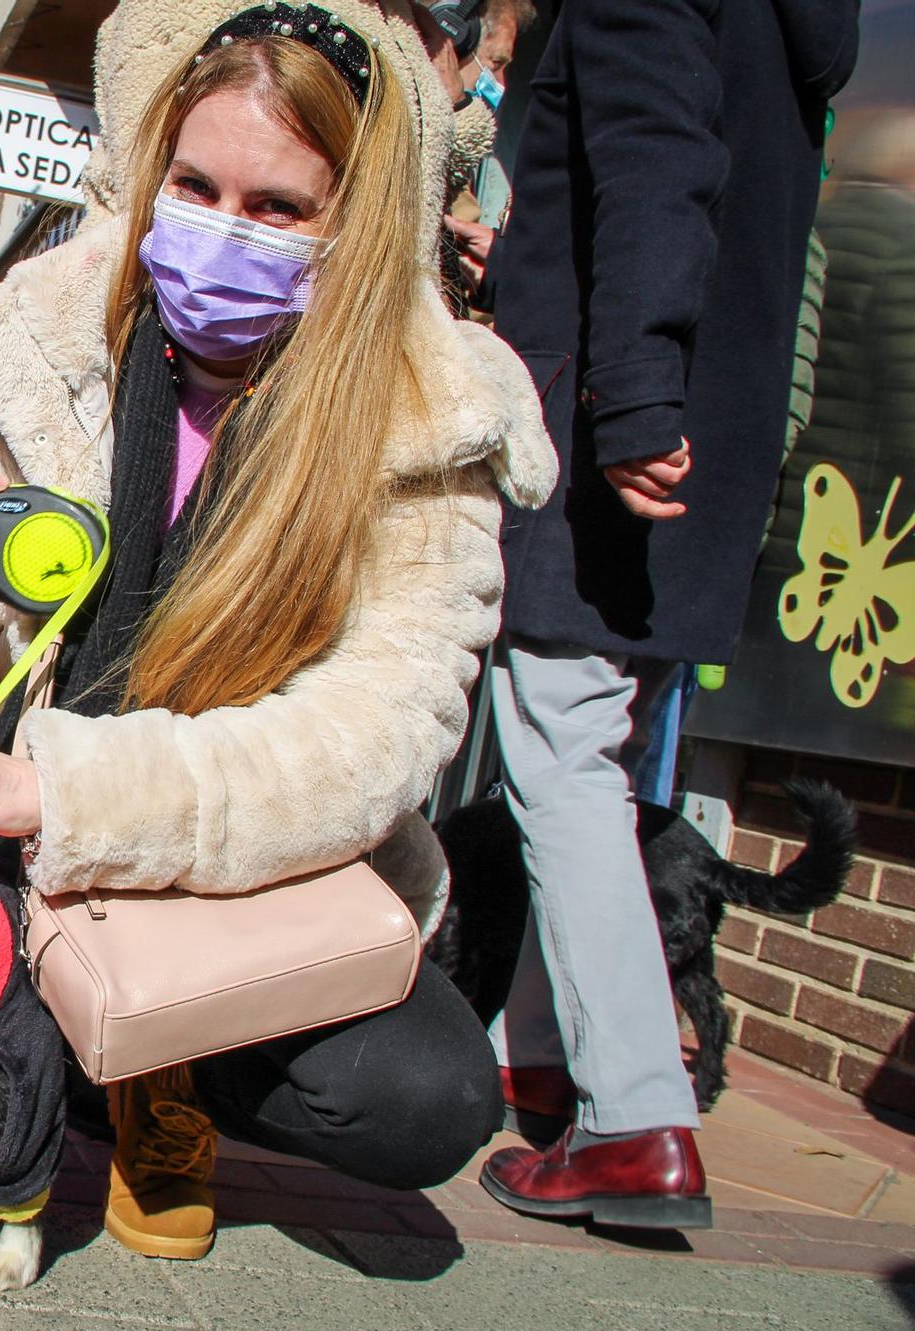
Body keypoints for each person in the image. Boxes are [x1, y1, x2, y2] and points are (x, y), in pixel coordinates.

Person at [0, 0, 556, 1261]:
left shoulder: (428, 416)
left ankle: (151, 1075)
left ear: (349, 222)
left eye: (276, 208)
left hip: (227, 865)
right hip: (9, 824)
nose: (217, 232)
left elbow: (373, 739)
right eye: (192, 186)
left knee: (427, 1092)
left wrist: (57, 792)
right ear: (149, 173)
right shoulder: (43, 337)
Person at [473, 0, 859, 1229]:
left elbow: (653, 166)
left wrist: (631, 389)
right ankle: (541, 1049)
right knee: (602, 746)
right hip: (711, 429)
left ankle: (635, 1119)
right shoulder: (791, 30)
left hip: (619, 432)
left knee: (555, 744)